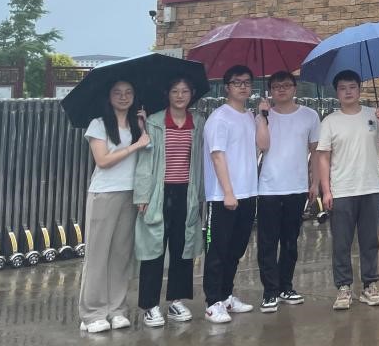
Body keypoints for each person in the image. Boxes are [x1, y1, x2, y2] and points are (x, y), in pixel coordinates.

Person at [78, 79, 148, 333]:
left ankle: (116, 309)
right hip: (104, 194)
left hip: (130, 194)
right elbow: (103, 160)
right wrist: (135, 145)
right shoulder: (98, 124)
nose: (123, 97)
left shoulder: (137, 125)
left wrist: (142, 129)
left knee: (121, 256)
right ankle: (92, 313)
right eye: (117, 92)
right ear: (109, 96)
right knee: (98, 256)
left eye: (129, 92)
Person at [134, 77, 203, 328]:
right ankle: (150, 305)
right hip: (158, 193)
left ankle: (176, 300)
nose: (180, 95)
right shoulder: (154, 122)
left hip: (186, 192)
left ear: (192, 94)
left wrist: (201, 195)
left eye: (185, 91)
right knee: (153, 249)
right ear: (168, 94)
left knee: (182, 247)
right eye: (175, 91)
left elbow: (200, 161)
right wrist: (142, 195)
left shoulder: (199, 122)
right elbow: (145, 159)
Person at [202, 64, 269, 324]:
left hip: (248, 192)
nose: (243, 86)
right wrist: (228, 192)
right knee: (218, 250)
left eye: (247, 82)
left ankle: (226, 295)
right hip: (224, 196)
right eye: (237, 82)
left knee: (236, 249)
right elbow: (217, 156)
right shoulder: (219, 118)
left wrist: (263, 116)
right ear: (226, 87)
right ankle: (212, 303)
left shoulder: (249, 116)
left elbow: (263, 145)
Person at [316, 70, 379, 312]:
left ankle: (370, 285)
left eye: (352, 87)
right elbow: (323, 158)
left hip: (371, 187)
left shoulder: (372, 115)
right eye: (343, 88)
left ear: (360, 89)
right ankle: (344, 287)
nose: (348, 92)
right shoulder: (330, 121)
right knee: (341, 243)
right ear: (337, 92)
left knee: (370, 241)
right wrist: (326, 191)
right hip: (342, 190)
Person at [255, 71, 321, 312]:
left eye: (285, 85)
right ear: (270, 90)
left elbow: (315, 151)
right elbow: (261, 146)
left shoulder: (310, 116)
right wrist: (262, 117)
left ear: (295, 88)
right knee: (267, 242)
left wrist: (314, 183)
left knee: (290, 241)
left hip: (297, 186)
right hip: (269, 187)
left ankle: (286, 286)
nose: (281, 89)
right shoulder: (263, 115)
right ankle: (269, 291)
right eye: (275, 86)